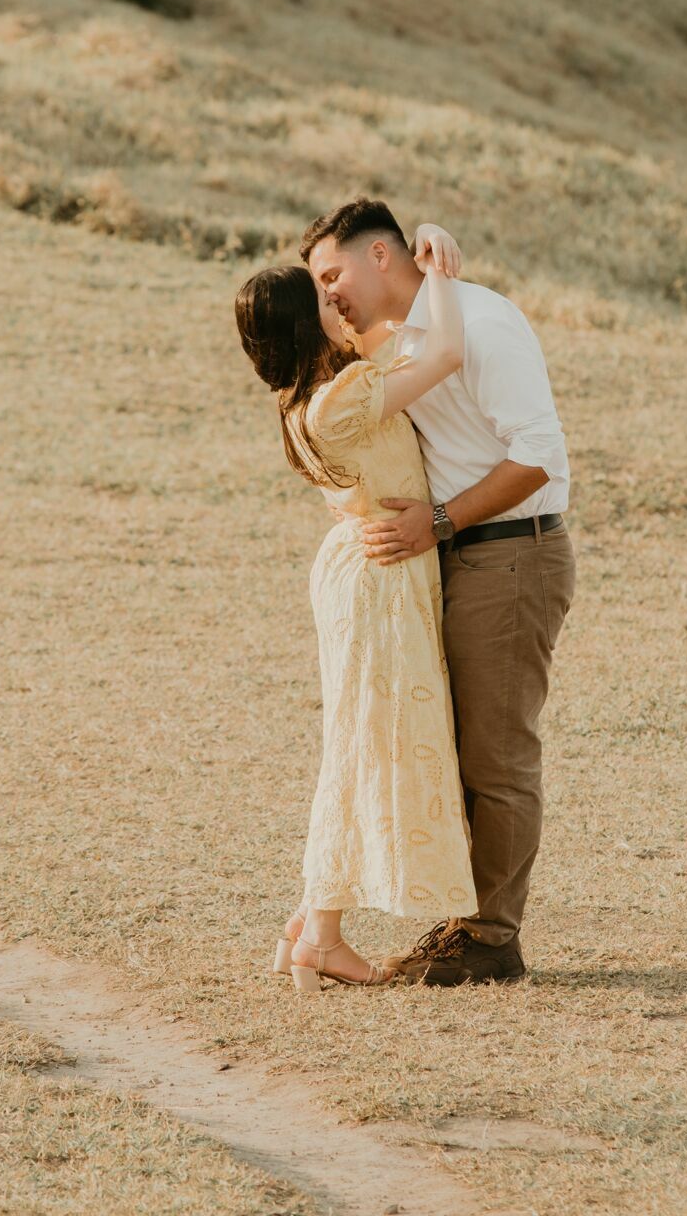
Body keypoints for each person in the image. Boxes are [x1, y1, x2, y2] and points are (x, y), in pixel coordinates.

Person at [302, 199, 575, 985]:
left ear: (382, 257)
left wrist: (442, 519)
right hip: (451, 556)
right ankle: (461, 921)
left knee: (496, 755)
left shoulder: (484, 325)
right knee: (447, 752)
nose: (332, 296)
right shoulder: (395, 339)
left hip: (511, 555)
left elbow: (539, 458)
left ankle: (492, 938)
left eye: (334, 275)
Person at [234, 227, 478, 992]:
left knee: (354, 741)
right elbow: (442, 358)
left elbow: (382, 339)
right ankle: (322, 935)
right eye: (322, 298)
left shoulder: (305, 395)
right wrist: (441, 276)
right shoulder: (340, 398)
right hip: (381, 574)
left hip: (359, 563)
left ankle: (312, 924)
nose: (336, 300)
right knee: (362, 747)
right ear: (308, 325)